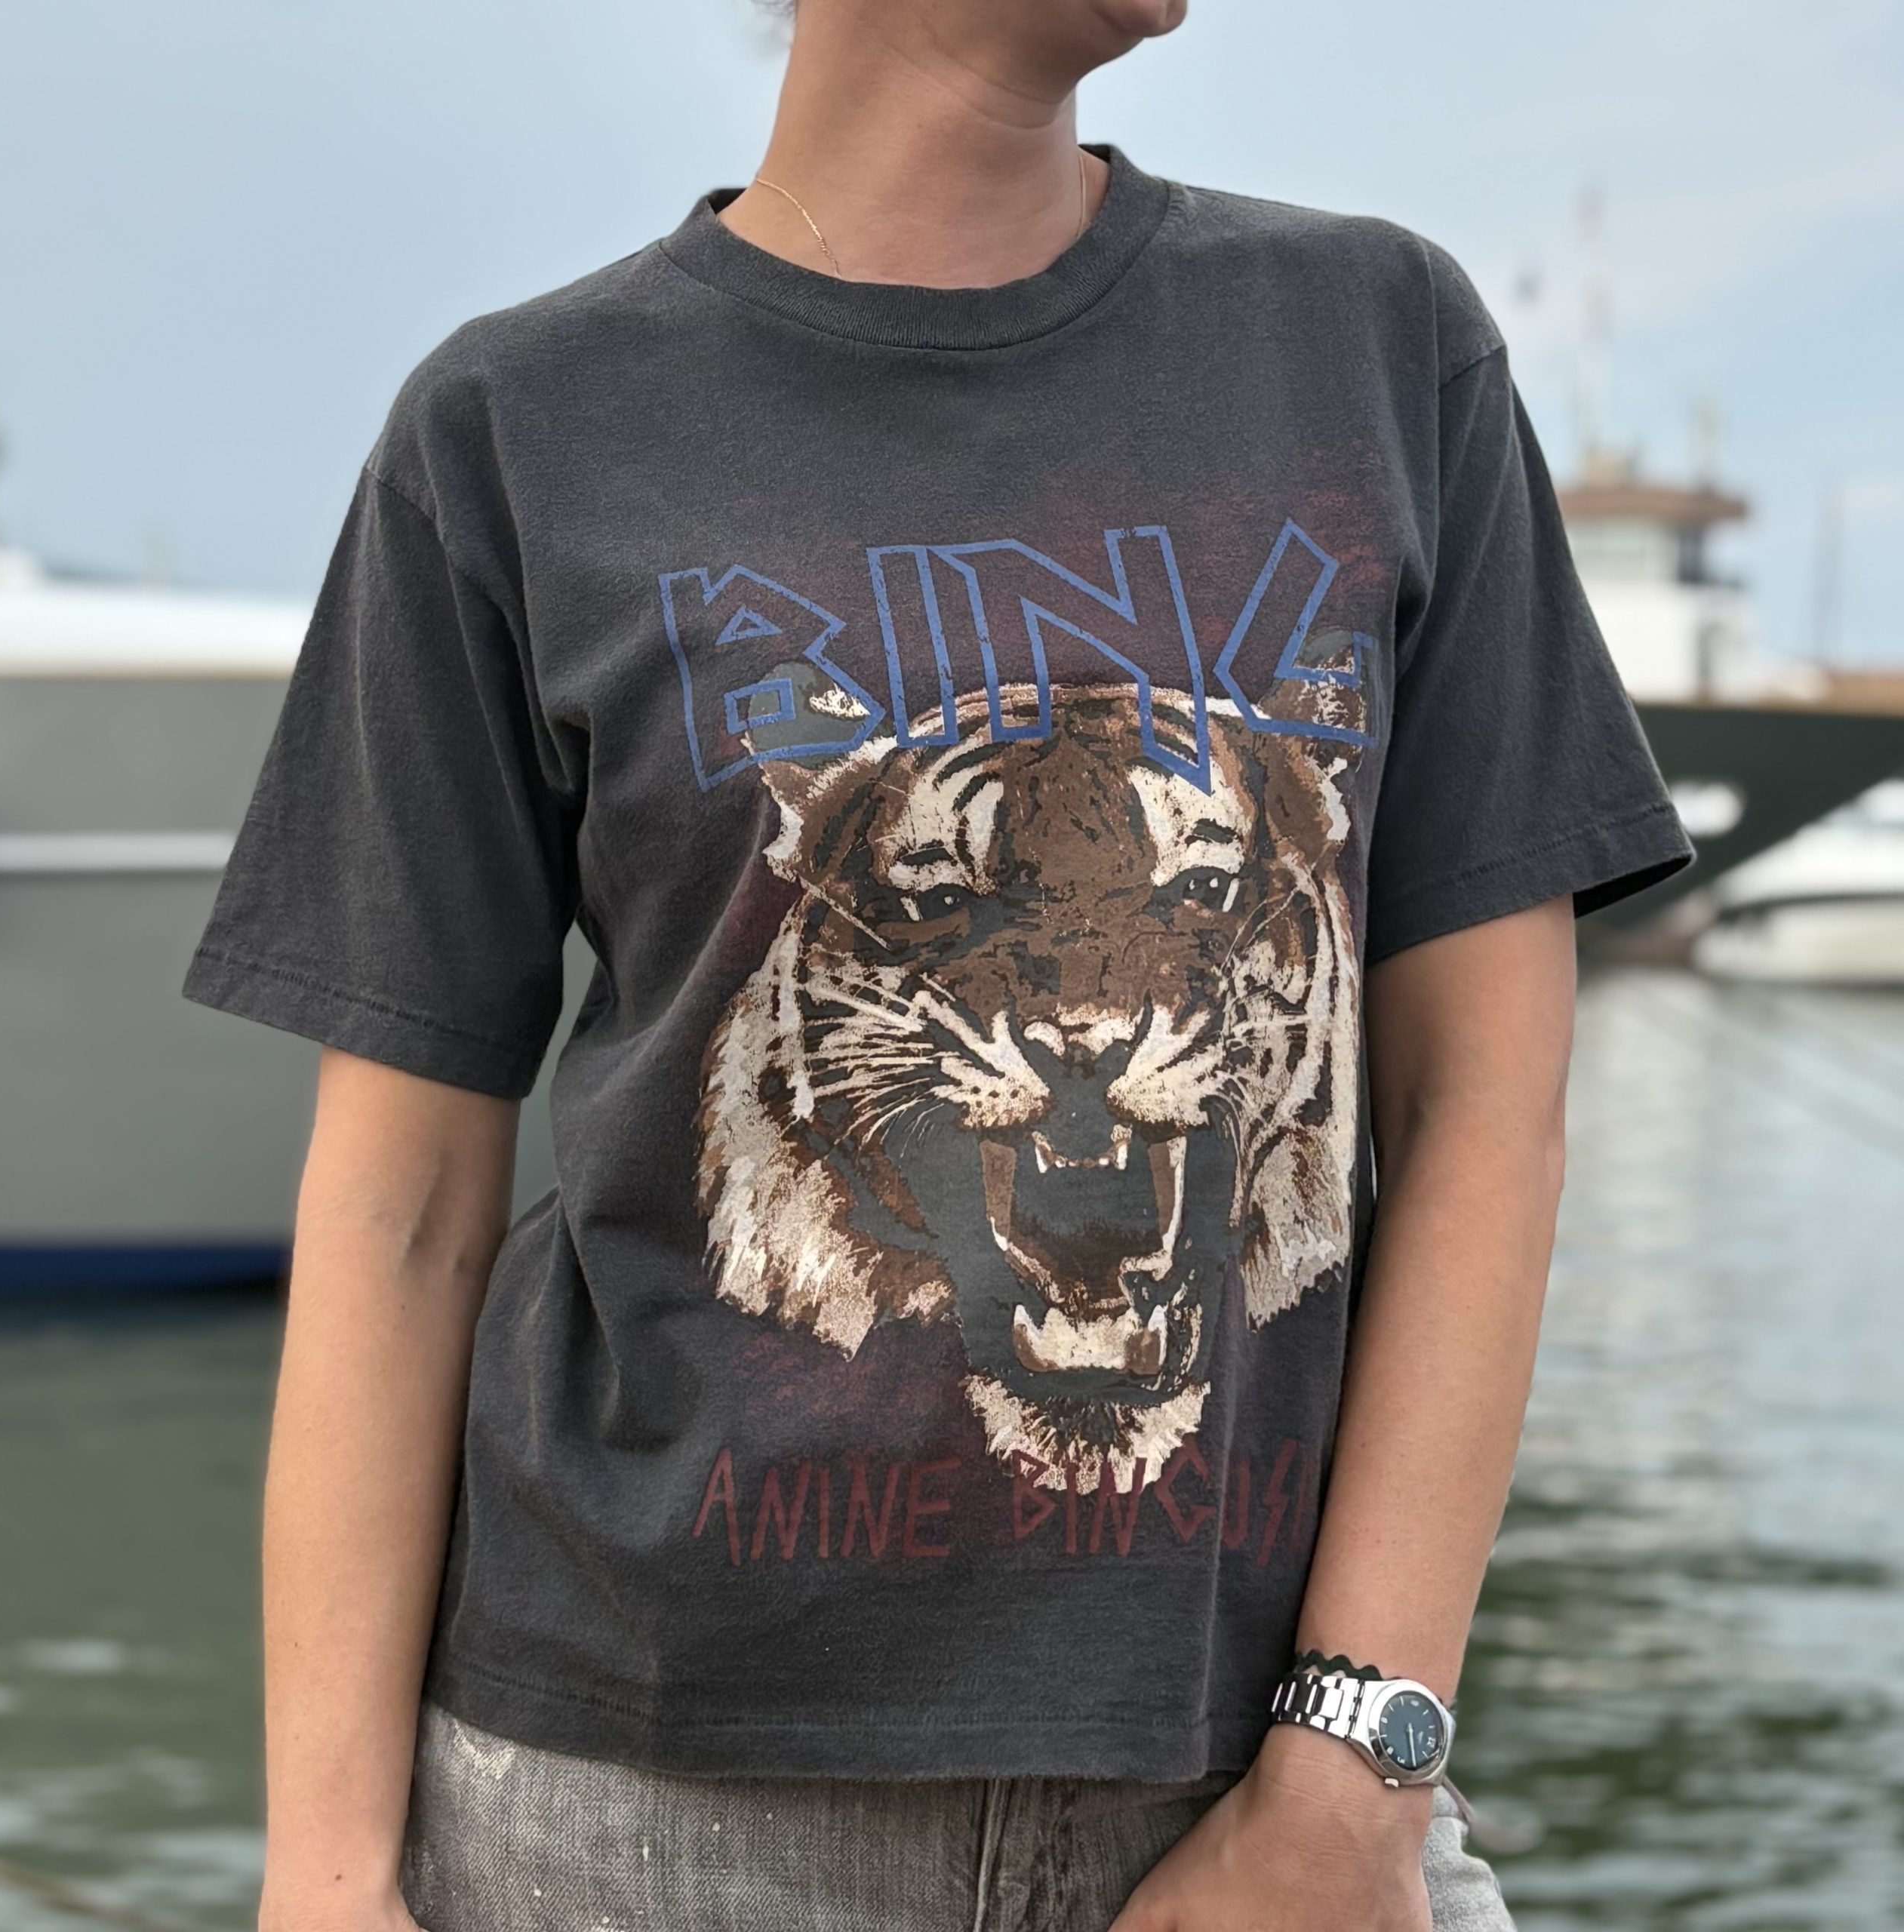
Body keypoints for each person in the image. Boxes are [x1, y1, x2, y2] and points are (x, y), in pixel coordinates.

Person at [186, 1, 1693, 1927]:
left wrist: (1351, 1772)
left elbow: (1478, 1100)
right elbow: (399, 1209)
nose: (1092, 1003)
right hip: (633, 1808)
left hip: (1265, 1786)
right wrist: (323, 1876)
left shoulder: (1377, 342)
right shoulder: (511, 423)